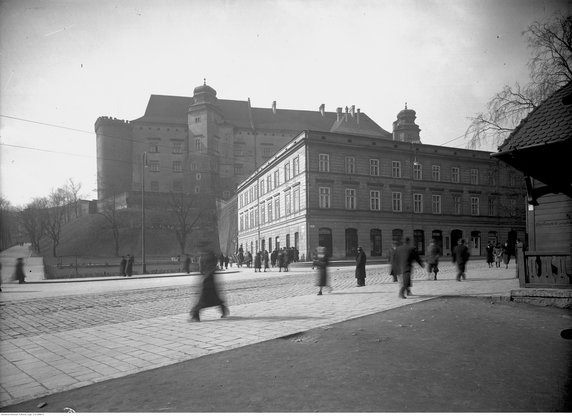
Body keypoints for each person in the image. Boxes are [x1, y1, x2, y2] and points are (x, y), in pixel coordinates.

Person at [189, 242, 229, 322]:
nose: (198, 250)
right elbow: (213, 265)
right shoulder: (210, 255)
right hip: (210, 278)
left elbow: (201, 269)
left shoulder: (204, 256)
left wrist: (203, 274)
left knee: (204, 299)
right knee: (213, 298)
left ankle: (195, 314)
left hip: (207, 280)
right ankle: (223, 309)